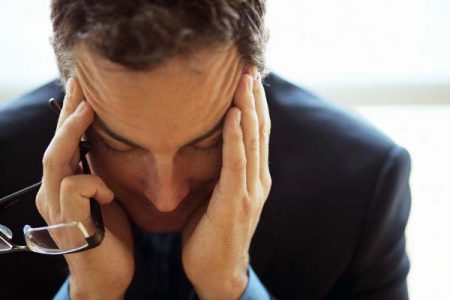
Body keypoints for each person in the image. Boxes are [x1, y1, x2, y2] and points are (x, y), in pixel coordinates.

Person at [0, 1, 411, 299]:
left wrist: (231, 286)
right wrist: (90, 294)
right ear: (68, 89)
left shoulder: (363, 185)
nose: (165, 198)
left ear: (253, 79)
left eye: (206, 143)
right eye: (119, 144)